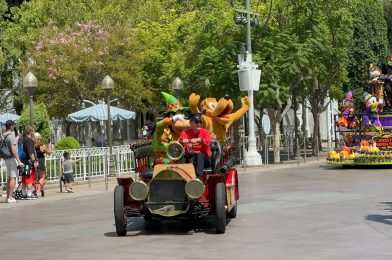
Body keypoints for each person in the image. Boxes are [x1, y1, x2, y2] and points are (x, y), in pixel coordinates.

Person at [178, 113, 211, 178]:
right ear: (191, 123)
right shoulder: (185, 132)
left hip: (204, 159)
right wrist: (184, 141)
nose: (199, 124)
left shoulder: (205, 132)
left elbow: (207, 143)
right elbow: (179, 141)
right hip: (190, 156)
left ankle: (199, 178)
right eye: (196, 122)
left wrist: (200, 140)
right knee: (182, 156)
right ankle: (179, 176)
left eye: (200, 122)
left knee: (199, 154)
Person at [3, 120, 24, 203]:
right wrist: (19, 161)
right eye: (13, 125)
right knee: (13, 177)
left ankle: (8, 196)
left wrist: (16, 138)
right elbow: (14, 150)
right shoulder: (11, 136)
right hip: (11, 158)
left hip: (6, 158)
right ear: (11, 126)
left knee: (9, 178)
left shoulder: (4, 135)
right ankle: (10, 197)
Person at [20, 127, 39, 200]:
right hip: (29, 162)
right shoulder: (29, 141)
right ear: (30, 132)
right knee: (29, 179)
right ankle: (29, 195)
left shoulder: (23, 139)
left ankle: (24, 194)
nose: (34, 133)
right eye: (33, 132)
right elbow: (31, 152)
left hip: (23, 161)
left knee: (24, 179)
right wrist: (34, 161)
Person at [34, 132, 52, 197]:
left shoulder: (31, 145)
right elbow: (49, 152)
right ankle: (38, 191)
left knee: (36, 178)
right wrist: (49, 145)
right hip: (41, 163)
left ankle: (36, 190)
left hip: (34, 162)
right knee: (43, 178)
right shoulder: (42, 146)